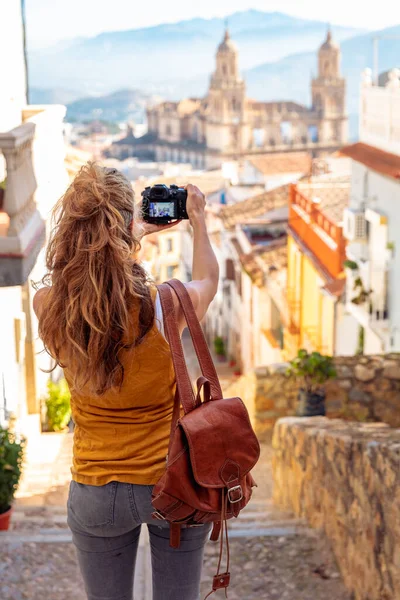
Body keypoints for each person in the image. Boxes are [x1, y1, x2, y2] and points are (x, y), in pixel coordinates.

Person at [33, 163, 219, 600]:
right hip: (172, 482)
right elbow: (210, 279)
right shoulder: (167, 305)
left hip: (96, 490)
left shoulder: (49, 305)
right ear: (125, 226)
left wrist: (119, 238)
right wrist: (199, 221)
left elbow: (88, 285)